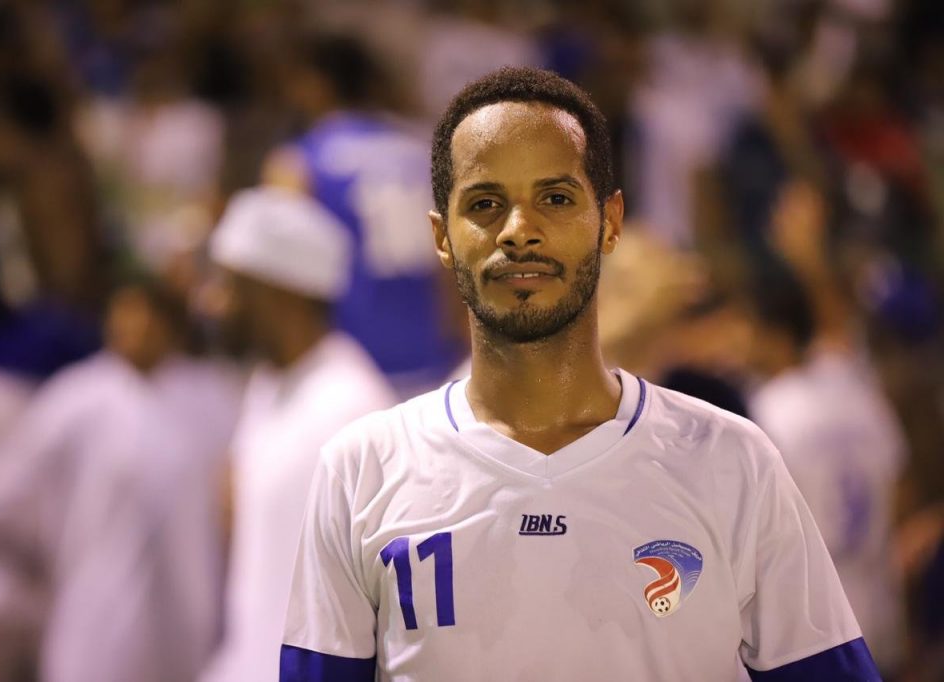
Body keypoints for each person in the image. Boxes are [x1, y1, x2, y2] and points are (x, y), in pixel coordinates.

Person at [279, 67, 878, 681]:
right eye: (485, 204)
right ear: (442, 237)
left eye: (556, 198)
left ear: (610, 221)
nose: (519, 230)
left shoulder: (734, 462)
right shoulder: (360, 470)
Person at [0, 278, 241, 682]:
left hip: (188, 624)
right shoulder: (78, 399)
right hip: (96, 617)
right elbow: (7, 484)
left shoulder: (213, 401)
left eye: (149, 319)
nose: (138, 330)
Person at [201, 187, 395, 682]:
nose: (212, 302)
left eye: (231, 285)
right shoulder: (268, 385)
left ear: (279, 293)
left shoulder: (351, 408)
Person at [263, 32, 463, 396]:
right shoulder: (422, 150)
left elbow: (276, 277)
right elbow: (453, 264)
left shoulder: (300, 163)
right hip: (432, 363)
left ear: (315, 84)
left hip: (347, 376)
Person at [747, 263, 907, 674]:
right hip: (879, 604)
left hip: (813, 623)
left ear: (775, 336)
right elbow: (901, 488)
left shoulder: (767, 409)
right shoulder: (858, 394)